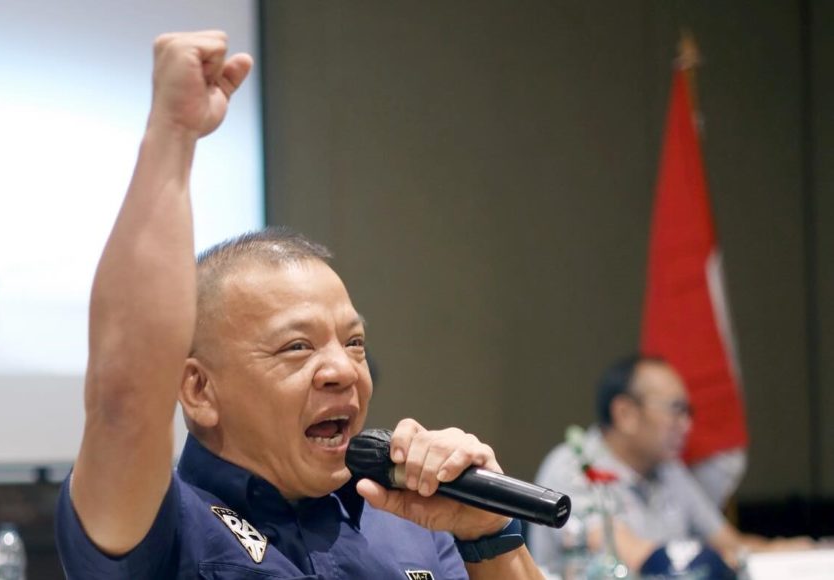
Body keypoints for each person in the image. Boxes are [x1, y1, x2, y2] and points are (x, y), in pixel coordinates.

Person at [55, 31, 546, 579]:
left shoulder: (414, 518)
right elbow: (124, 400)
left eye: (354, 342)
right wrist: (172, 134)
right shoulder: (160, 524)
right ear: (198, 389)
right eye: (296, 347)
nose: (344, 370)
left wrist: (486, 535)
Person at [528, 355, 814, 575]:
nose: (687, 425)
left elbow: (729, 543)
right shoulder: (575, 466)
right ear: (625, 413)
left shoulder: (669, 469)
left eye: (688, 412)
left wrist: (796, 552)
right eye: (676, 410)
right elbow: (630, 557)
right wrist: (722, 561)